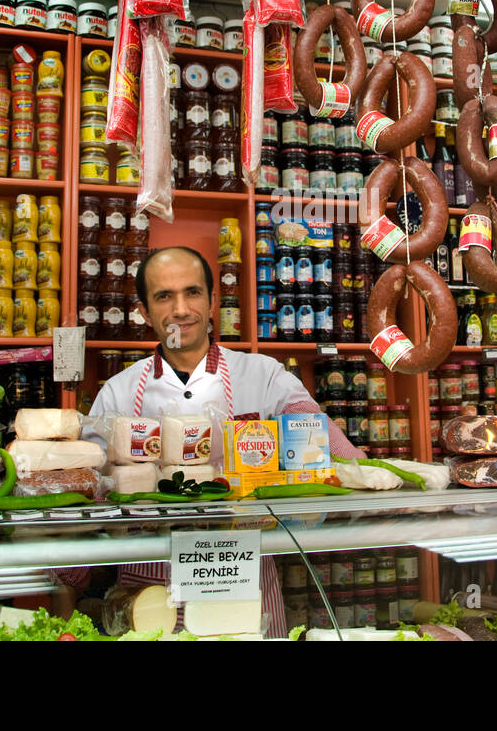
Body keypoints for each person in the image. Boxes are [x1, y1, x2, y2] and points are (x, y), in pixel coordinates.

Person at [80, 246, 364, 637]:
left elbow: (316, 433)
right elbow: (87, 487)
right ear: (144, 312)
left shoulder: (262, 374)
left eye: (192, 292)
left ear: (213, 301)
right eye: (164, 296)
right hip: (148, 584)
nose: (181, 309)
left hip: (240, 571)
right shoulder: (117, 392)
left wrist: (364, 471)